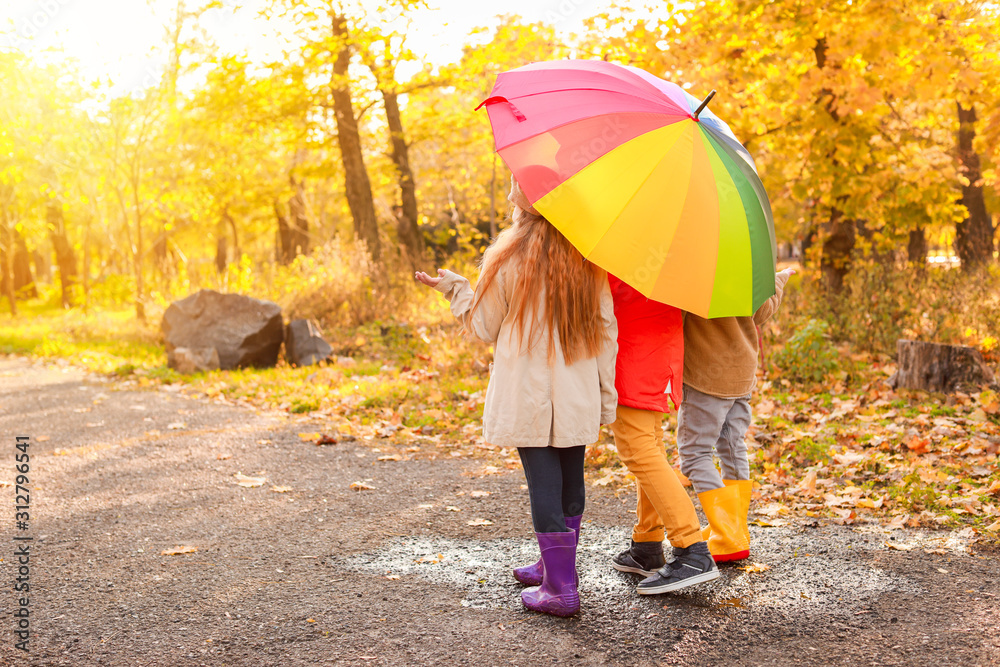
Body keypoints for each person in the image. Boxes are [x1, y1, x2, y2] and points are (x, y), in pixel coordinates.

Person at [415, 176, 617, 618]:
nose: (509, 200)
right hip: (577, 392)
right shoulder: (589, 257)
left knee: (543, 482)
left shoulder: (506, 257)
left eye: (513, 194)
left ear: (522, 206)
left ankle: (561, 589)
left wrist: (457, 288)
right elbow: (607, 331)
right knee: (569, 475)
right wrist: (606, 397)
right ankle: (553, 567)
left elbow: (485, 326)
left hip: (527, 393)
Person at [605, 277, 720, 595]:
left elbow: (598, 304)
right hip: (660, 356)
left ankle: (691, 548)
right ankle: (646, 544)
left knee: (639, 451)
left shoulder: (624, 255)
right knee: (649, 449)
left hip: (633, 360)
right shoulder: (666, 256)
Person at [678, 269, 795, 562]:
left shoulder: (694, 265)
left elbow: (675, 316)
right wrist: (777, 282)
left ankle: (727, 532)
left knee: (694, 454)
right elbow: (762, 312)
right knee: (732, 446)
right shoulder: (743, 260)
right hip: (742, 373)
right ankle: (735, 531)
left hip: (706, 377)